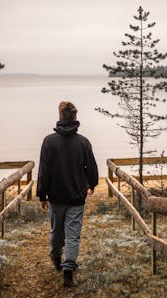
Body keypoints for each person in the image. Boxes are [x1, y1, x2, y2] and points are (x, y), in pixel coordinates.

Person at [37, 101, 98, 288]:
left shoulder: (49, 141)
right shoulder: (83, 142)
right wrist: (92, 184)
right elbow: (91, 167)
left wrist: (42, 195)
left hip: (56, 197)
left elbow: (44, 170)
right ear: (75, 117)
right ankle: (68, 270)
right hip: (76, 197)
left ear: (60, 116)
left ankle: (56, 256)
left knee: (57, 232)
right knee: (73, 235)